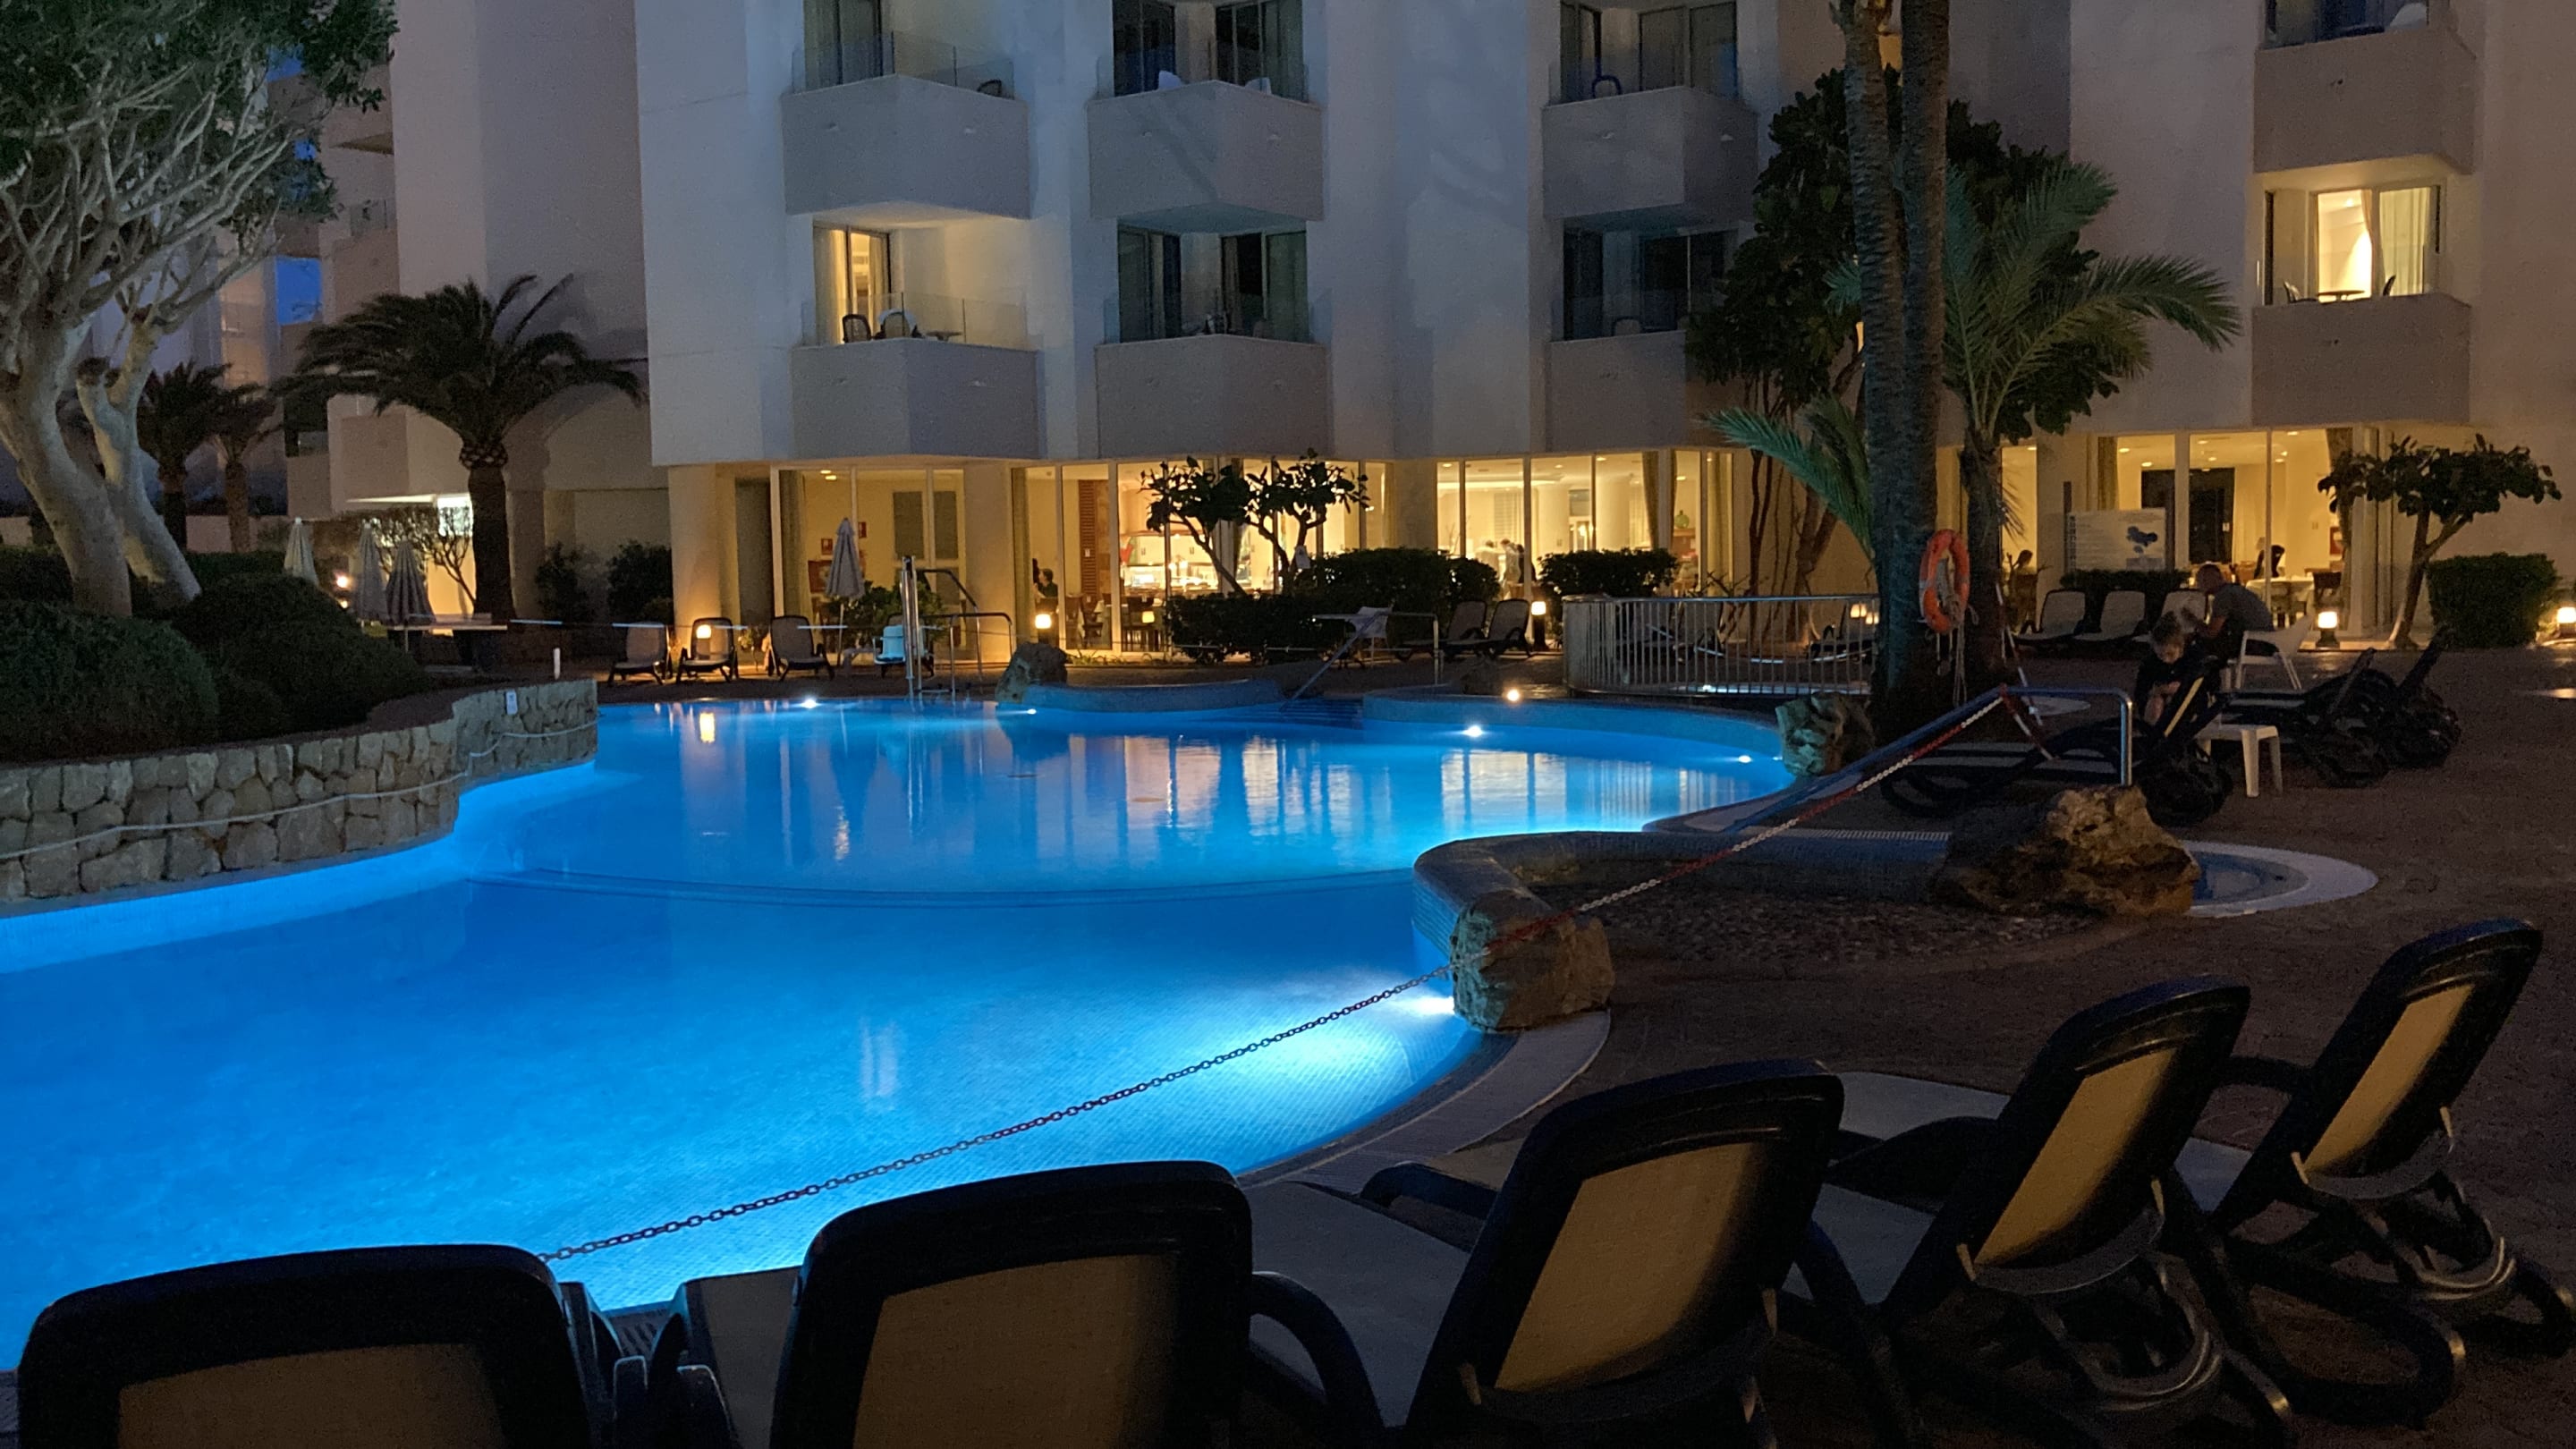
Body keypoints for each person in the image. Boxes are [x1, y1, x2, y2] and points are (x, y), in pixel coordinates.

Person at [2134, 614, 2216, 728]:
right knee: (2156, 703)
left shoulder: (2193, 659)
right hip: (2157, 702)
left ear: (2180, 648)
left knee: (2174, 701)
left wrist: (2181, 687)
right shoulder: (2150, 663)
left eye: (2170, 654)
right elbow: (2140, 690)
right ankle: (2153, 733)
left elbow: (2204, 683)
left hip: (2189, 703)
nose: (2166, 660)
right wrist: (2154, 692)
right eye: (2161, 655)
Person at [2194, 562, 2272, 657]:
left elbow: (2211, 632)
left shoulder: (2223, 596)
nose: (2198, 585)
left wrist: (2194, 621)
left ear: (2209, 580)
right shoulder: (2238, 590)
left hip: (2253, 645)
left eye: (2199, 581)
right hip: (2268, 642)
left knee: (2198, 645)